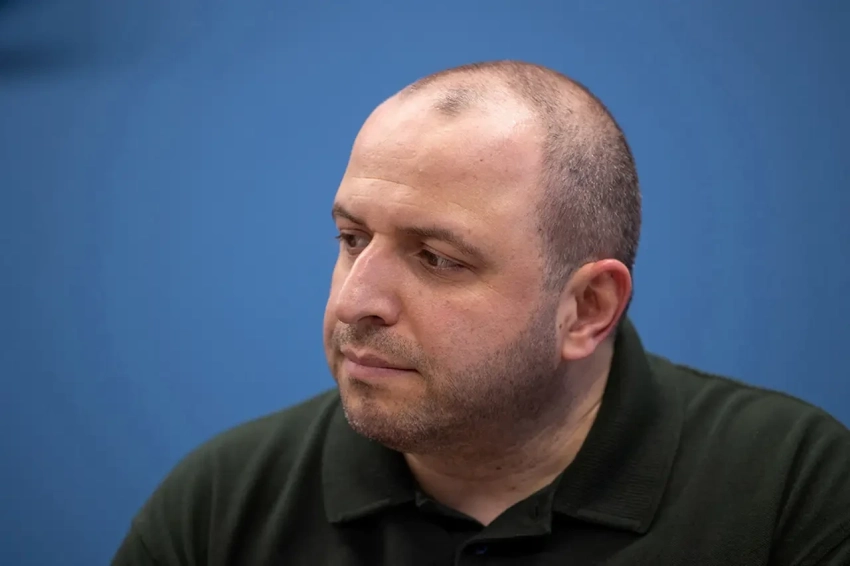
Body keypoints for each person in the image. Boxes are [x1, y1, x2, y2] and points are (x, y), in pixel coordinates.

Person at [111, 61, 850, 565]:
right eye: (352, 238)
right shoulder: (224, 505)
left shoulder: (792, 490)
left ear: (586, 309)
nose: (355, 301)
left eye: (437, 258)